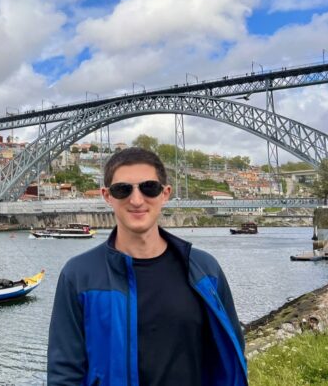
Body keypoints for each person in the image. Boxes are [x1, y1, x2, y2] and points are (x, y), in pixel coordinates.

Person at [47, 147, 246, 385]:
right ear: (107, 195)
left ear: (165, 193)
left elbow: (231, 354)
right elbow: (64, 374)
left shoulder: (205, 270)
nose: (137, 200)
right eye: (123, 190)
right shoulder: (78, 276)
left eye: (149, 187)